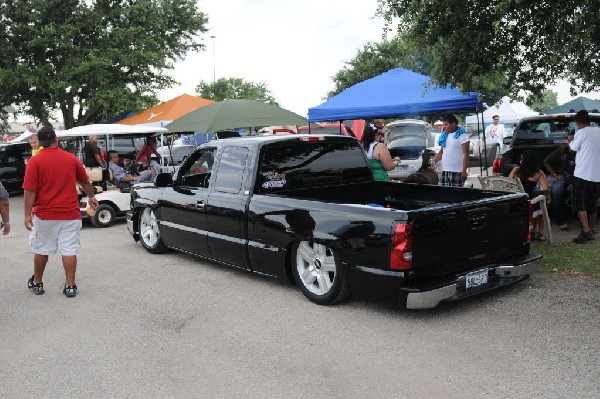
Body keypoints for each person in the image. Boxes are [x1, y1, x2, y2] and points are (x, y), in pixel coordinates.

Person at [22, 126, 99, 297]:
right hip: (70, 214)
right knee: (69, 250)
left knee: (42, 249)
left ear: (40, 143)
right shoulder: (71, 159)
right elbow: (85, 181)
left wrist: (27, 214)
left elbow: (29, 190)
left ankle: (37, 283)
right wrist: (91, 196)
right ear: (55, 139)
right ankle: (70, 286)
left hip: (44, 215)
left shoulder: (34, 161)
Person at [568, 110, 600, 243]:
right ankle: (590, 231)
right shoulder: (598, 131)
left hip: (582, 173)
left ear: (579, 122)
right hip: (597, 175)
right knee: (592, 203)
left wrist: (569, 142)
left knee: (579, 203)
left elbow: (572, 149)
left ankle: (586, 231)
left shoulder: (581, 132)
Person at [509, 150, 551, 241]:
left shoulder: (516, 170)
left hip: (515, 201)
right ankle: (538, 233)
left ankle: (530, 231)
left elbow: (506, 185)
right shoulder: (539, 173)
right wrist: (548, 197)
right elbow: (545, 189)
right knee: (542, 205)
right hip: (528, 202)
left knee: (537, 201)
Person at [543, 130, 576, 230]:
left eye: (573, 140)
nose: (570, 143)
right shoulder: (562, 150)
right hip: (563, 178)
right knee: (556, 190)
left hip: (578, 179)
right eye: (569, 140)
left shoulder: (584, 152)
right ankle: (561, 221)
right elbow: (547, 161)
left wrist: (574, 183)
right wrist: (555, 174)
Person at [432, 114, 469, 187]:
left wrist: (464, 171)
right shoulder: (445, 135)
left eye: (446, 124)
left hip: (457, 171)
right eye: (443, 125)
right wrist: (433, 161)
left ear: (453, 124)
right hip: (445, 170)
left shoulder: (462, 135)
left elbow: (466, 154)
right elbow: (442, 152)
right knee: (444, 195)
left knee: (456, 195)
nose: (444, 127)